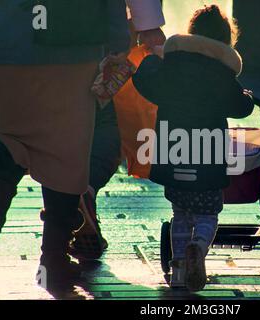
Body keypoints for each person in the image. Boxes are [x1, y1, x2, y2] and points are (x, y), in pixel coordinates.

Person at [0, 0, 131, 290]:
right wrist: (118, 38)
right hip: (73, 41)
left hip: (1, 38)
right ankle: (53, 259)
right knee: (67, 147)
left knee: (8, 134)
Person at [132, 5, 254, 291]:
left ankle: (177, 273)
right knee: (207, 214)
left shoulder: (171, 66)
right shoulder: (222, 74)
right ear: (225, 41)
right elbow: (240, 107)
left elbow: (145, 81)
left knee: (180, 214)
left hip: (173, 154)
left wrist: (152, 60)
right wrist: (247, 97)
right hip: (206, 156)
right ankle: (198, 248)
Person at [68, 0, 166, 261]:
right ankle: (84, 192)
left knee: (60, 126)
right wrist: (148, 23)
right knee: (107, 124)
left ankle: (56, 234)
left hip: (39, 35)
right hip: (100, 31)